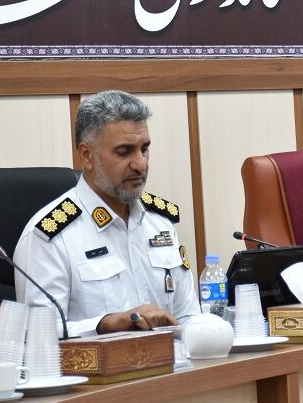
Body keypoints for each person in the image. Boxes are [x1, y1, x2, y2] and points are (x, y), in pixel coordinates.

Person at [13, 90, 199, 336]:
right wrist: (104, 325)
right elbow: (37, 333)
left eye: (144, 149)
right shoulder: (51, 235)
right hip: (94, 362)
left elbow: (188, 316)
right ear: (87, 155)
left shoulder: (160, 221)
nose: (140, 164)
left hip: (169, 359)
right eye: (124, 152)